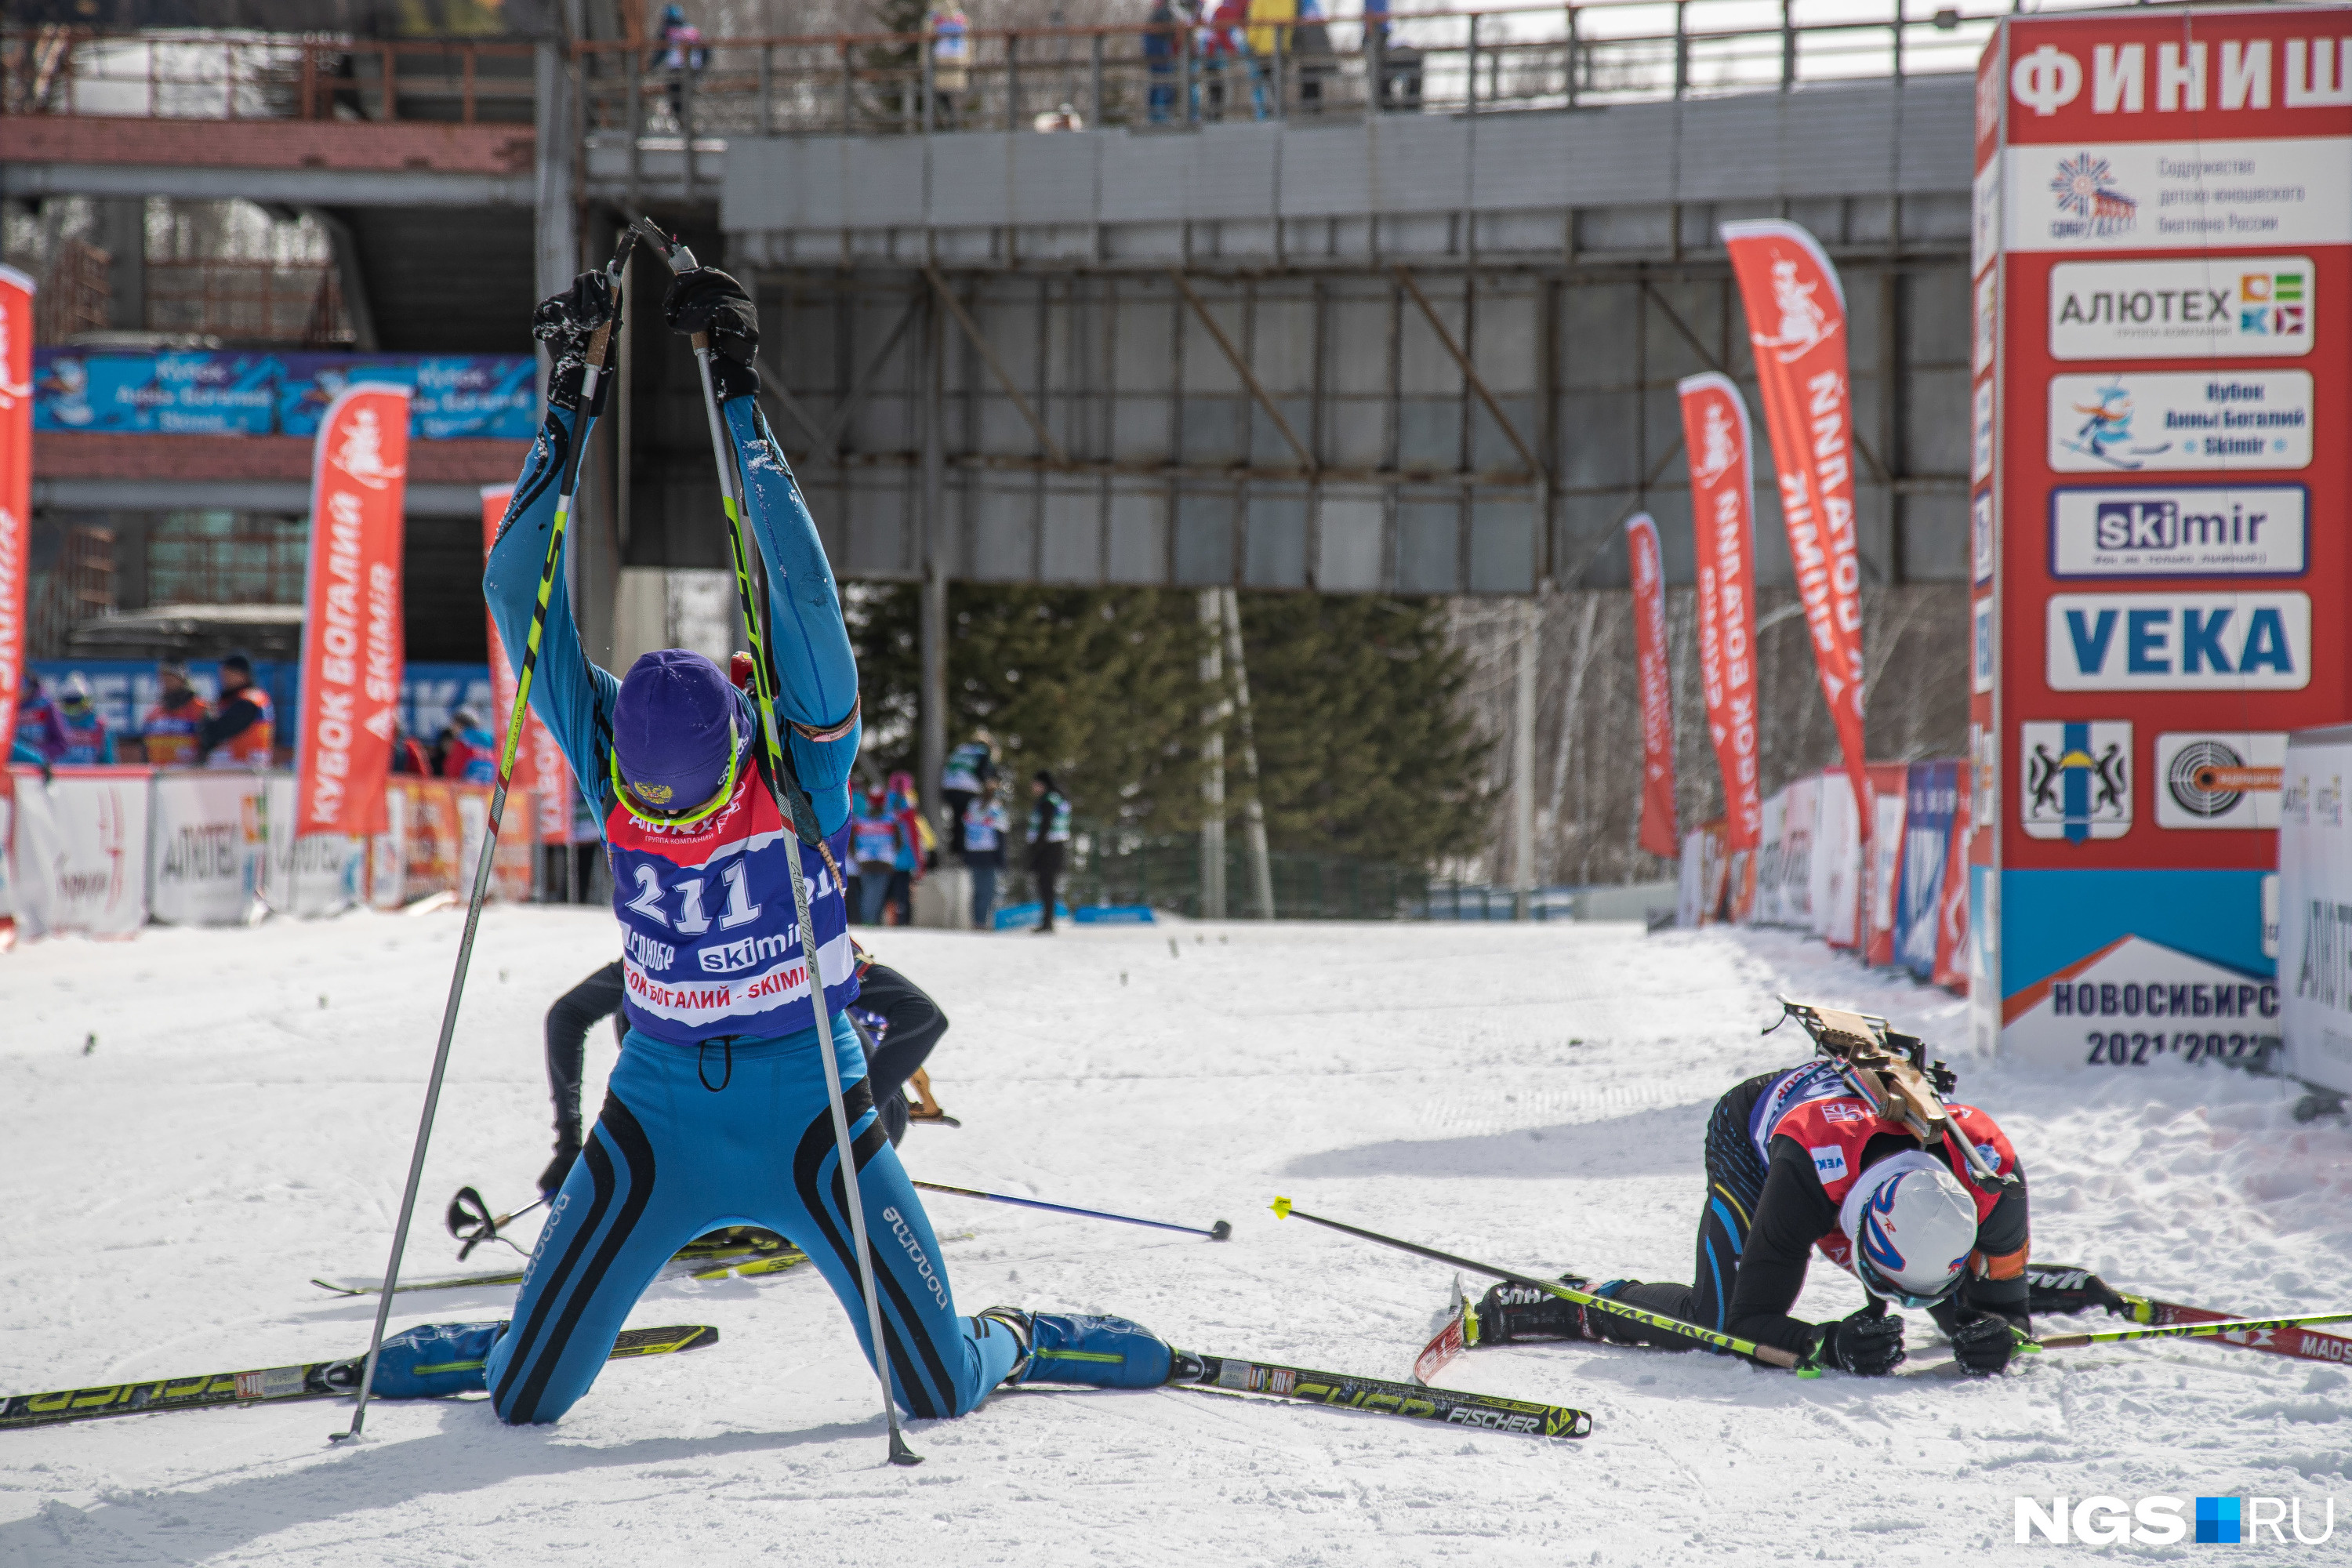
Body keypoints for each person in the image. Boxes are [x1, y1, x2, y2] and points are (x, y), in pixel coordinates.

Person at [430, 261, 1168, 1425]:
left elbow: (807, 599)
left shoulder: (799, 761)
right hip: (660, 1106)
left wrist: (738, 394)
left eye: (693, 804)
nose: (669, 825)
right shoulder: (608, 731)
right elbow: (513, 576)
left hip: (810, 1102)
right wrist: (571, 394)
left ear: (737, 743)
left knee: (933, 1393)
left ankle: (1019, 1336)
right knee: (523, 1398)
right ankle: (527, 1326)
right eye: (651, 806)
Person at [1465, 1055, 2031, 1377]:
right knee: (1711, 1325)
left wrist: (1997, 1331)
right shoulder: (1808, 1177)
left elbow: (2010, 1322)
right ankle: (1579, 1301)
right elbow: (1748, 1322)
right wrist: (1828, 1344)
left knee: (1977, 1304)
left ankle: (2004, 1276)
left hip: (1871, 1134)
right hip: (1759, 1137)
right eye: (1879, 1283)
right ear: (1852, 1236)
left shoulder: (1992, 1175)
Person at [535, 945, 953, 1197]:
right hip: (747, 1122)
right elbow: (568, 1015)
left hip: (842, 1125)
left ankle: (801, 1162)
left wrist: (854, 1120)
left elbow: (923, 1017)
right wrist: (569, 1145)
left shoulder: (803, 934)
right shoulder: (670, 949)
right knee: (643, 1008)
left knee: (834, 1021)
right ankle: (714, 1166)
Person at [198, 653, 272, 768]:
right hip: (237, 769)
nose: (223, 679)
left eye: (227, 674)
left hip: (243, 769)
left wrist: (207, 721)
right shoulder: (234, 699)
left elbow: (217, 731)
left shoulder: (248, 700)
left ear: (241, 674)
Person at [850, 781, 906, 925]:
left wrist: (856, 856)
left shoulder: (861, 819)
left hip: (866, 862)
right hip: (884, 862)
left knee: (868, 892)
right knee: (877, 893)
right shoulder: (890, 819)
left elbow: (852, 842)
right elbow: (899, 841)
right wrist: (892, 853)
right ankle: (871, 920)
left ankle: (869, 920)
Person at [939, 728, 996, 857]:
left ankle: (954, 848)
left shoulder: (961, 748)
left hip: (949, 788)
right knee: (968, 819)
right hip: (967, 789)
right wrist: (989, 784)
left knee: (957, 818)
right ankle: (962, 850)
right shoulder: (983, 751)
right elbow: (982, 772)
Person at [140, 662, 209, 768]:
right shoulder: (154, 712)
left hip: (189, 776)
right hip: (159, 775)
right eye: (163, 679)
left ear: (182, 680)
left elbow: (209, 745)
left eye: (171, 678)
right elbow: (145, 749)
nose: (166, 683)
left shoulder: (200, 709)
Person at [1026, 768, 1071, 935]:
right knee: (1048, 886)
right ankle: (1047, 922)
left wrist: (1037, 846)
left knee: (1046, 886)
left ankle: (1047, 923)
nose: (1033, 787)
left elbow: (1045, 825)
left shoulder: (1048, 800)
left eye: (1035, 783)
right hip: (1056, 846)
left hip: (1048, 848)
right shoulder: (1059, 797)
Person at [885, 770, 930, 926]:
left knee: (886, 891)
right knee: (903, 892)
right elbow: (913, 835)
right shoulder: (908, 803)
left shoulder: (885, 801)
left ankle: (888, 919)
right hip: (904, 858)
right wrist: (919, 861)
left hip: (884, 856)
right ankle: (902, 920)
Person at [652, 3, 706, 130]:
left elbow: (661, 51)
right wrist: (702, 67)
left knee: (675, 96)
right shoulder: (692, 30)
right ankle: (687, 123)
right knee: (686, 96)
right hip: (693, 68)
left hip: (676, 69)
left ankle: (682, 123)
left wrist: (652, 65)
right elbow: (706, 51)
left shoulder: (668, 31)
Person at [962, 783, 1008, 930]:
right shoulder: (996, 809)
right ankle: (986, 922)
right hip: (990, 854)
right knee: (989, 891)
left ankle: (977, 921)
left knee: (977, 890)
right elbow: (1001, 834)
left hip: (973, 853)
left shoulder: (972, 806)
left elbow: (966, 829)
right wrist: (1002, 859)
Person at [51, 673, 114, 764]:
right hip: (59, 776)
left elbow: (108, 763)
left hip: (88, 777)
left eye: (76, 701)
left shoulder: (99, 727)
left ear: (87, 701)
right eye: (69, 701)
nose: (73, 705)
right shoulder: (54, 723)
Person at [928, 5, 969, 129]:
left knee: (943, 102)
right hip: (957, 73)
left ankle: (949, 127)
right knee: (950, 103)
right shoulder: (962, 17)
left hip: (940, 71)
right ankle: (952, 127)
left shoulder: (932, 18)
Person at [14, 674, 68, 766]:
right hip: (10, 769)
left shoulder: (45, 705)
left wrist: (37, 755)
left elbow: (61, 744)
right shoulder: (5, 706)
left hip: (40, 770)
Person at [1144, 0, 1181, 124]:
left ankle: (1159, 114)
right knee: (1162, 79)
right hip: (1158, 44)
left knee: (1161, 79)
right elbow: (1171, 30)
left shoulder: (1167, 10)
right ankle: (1159, 115)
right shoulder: (1165, 11)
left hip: (1159, 44)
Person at [441, 707, 498, 784]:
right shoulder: (490, 740)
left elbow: (453, 770)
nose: (452, 729)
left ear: (459, 725)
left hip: (468, 789)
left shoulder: (463, 741)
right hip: (489, 788)